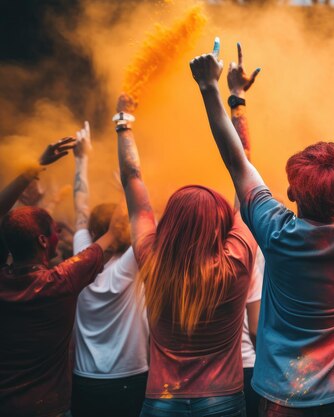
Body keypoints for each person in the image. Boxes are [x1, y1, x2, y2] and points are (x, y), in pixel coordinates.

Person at [191, 40, 334, 416]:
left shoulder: (275, 231)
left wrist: (214, 89)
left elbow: (236, 163)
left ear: (290, 192)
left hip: (281, 401)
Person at [114, 92, 256, 417]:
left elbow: (132, 178)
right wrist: (238, 102)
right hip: (222, 399)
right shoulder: (235, 263)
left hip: (162, 401)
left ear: (170, 224)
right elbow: (242, 171)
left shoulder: (152, 259)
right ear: (222, 225)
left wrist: (124, 122)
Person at [0, 136, 123, 417]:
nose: (60, 233)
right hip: (51, 409)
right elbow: (114, 234)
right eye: (55, 229)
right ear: (44, 241)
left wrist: (35, 166)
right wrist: (126, 187)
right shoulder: (61, 281)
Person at [69, 122, 150, 417]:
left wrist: (81, 159)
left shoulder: (79, 258)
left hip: (85, 379)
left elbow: (80, 211)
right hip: (130, 378)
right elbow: (139, 217)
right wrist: (126, 188)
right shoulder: (129, 266)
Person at [226, 42, 263, 417]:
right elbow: (243, 169)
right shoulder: (238, 255)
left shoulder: (162, 261)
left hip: (172, 389)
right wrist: (237, 99)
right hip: (245, 372)